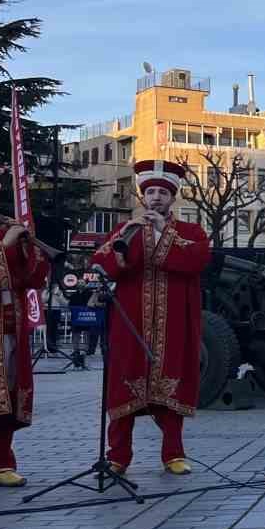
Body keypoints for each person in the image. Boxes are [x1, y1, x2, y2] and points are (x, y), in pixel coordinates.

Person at [90, 160, 211, 475]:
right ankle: (118, 456)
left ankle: (173, 453)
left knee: (171, 384)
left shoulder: (190, 232)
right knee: (123, 384)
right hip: (130, 324)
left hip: (174, 324)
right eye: (151, 192)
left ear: (173, 198)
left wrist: (162, 232)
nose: (156, 197)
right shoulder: (126, 230)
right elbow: (101, 264)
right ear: (143, 196)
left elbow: (196, 260)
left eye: (163, 193)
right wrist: (124, 237)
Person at [0, 175, 52, 488]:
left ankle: (0, 462)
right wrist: (4, 247)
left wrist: (31, 249)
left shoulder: (7, 230)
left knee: (7, 396)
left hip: (8, 327)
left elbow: (33, 279)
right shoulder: (5, 239)